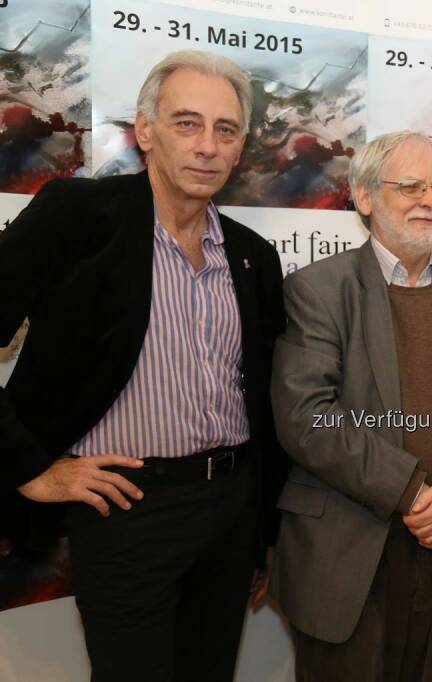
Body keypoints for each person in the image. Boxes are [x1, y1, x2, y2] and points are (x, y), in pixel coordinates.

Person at [0, 50, 286, 682]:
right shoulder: (79, 217)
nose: (207, 146)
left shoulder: (251, 256)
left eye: (225, 130)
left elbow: (264, 404)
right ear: (145, 130)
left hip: (231, 513)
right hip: (127, 512)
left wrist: (261, 529)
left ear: (241, 148)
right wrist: (31, 469)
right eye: (187, 123)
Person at [269, 130, 432, 682]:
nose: (429, 201)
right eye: (409, 186)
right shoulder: (318, 289)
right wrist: (414, 493)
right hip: (349, 554)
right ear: (364, 197)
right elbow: (307, 417)